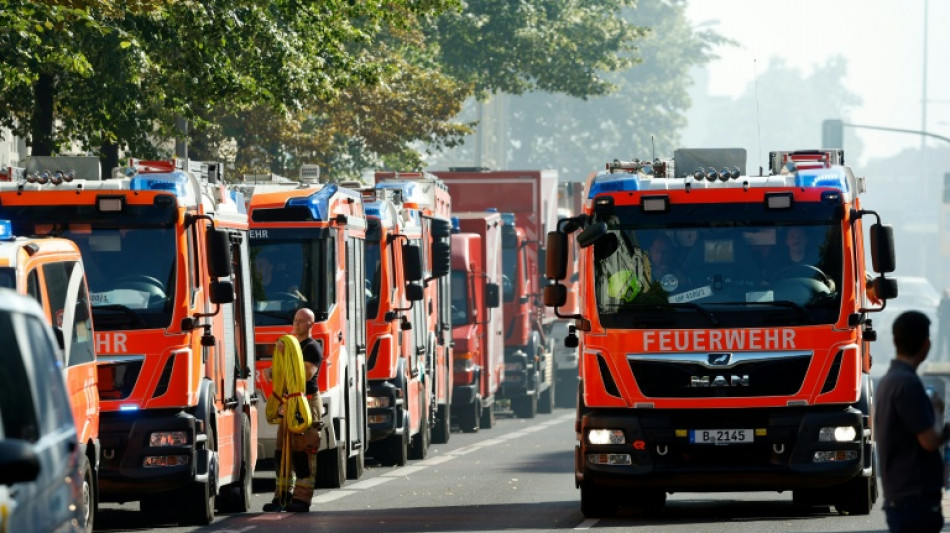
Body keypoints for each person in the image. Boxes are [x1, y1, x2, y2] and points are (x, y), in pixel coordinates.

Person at [874, 310, 950, 533]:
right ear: (926, 344)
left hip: (899, 497)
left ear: (895, 341)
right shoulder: (908, 384)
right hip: (914, 501)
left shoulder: (889, 380)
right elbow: (929, 441)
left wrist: (933, 412)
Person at [263, 308, 324, 513]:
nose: (296, 324)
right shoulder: (290, 346)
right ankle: (282, 495)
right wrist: (273, 369)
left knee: (302, 451)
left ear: (310, 324)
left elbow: (304, 375)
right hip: (288, 402)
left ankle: (302, 498)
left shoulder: (313, 348)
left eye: (301, 321)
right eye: (295, 320)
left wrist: (286, 357)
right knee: (283, 450)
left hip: (305, 403)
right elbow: (278, 374)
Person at [938, 288, 950, 359]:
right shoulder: (942, 301)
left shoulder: (947, 302)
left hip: (946, 323)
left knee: (946, 341)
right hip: (943, 323)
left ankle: (948, 356)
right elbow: (939, 310)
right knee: (942, 341)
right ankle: (939, 356)